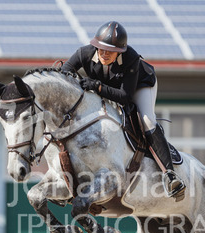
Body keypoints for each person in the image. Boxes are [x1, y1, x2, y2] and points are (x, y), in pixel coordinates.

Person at [61, 21, 185, 199]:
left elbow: (125, 96)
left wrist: (97, 86)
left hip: (140, 85)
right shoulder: (84, 53)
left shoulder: (131, 58)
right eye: (101, 50)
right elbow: (64, 73)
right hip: (109, 87)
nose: (104, 54)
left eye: (110, 52)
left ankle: (170, 175)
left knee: (147, 121)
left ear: (119, 52)